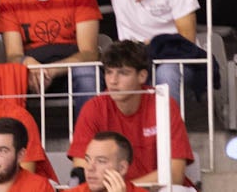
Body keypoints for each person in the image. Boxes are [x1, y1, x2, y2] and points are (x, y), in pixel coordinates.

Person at [68, 41, 193, 187]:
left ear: (142, 76)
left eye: (123, 73)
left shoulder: (163, 104)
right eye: (109, 72)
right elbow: (82, 168)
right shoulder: (93, 108)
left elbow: (175, 174)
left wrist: (126, 189)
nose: (113, 81)